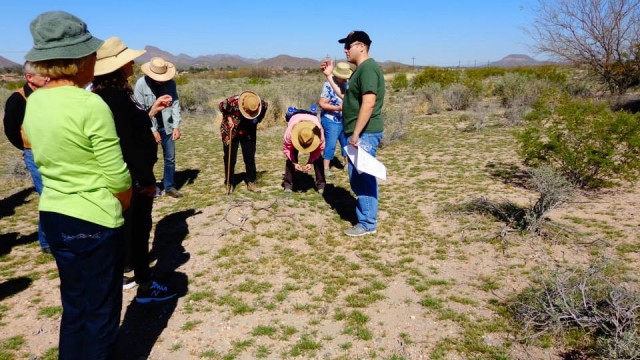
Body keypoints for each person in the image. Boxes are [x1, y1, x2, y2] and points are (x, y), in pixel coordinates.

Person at [22, 11, 132, 359]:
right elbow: (116, 175)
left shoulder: (34, 101)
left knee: (74, 306)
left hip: (54, 215)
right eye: (90, 54)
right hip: (95, 218)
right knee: (101, 311)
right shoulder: (90, 104)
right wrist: (123, 203)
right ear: (77, 60)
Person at [93, 36, 176, 303]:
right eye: (128, 60)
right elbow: (130, 144)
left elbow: (130, 126)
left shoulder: (104, 96)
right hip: (133, 177)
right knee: (139, 231)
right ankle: (145, 286)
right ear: (119, 66)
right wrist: (147, 179)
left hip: (119, 177)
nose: (132, 63)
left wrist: (151, 110)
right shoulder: (116, 99)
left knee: (126, 230)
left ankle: (126, 276)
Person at [322, 31, 385, 237]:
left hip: (364, 134)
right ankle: (366, 217)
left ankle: (367, 223)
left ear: (361, 46)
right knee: (359, 177)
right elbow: (344, 96)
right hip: (359, 133)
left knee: (362, 177)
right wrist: (329, 76)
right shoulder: (360, 71)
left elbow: (369, 103)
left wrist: (356, 134)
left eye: (349, 45)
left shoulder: (368, 69)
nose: (345, 49)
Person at [3, 61, 50, 252]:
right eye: (42, 75)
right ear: (29, 78)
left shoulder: (47, 95)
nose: (47, 78)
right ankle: (47, 242)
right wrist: (25, 148)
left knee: (54, 195)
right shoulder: (18, 99)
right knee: (48, 196)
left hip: (51, 149)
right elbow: (11, 129)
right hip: (34, 152)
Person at [134, 57, 183, 198]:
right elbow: (140, 110)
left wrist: (176, 126)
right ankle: (148, 187)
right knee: (149, 159)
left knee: (170, 158)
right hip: (149, 127)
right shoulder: (140, 85)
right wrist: (153, 130)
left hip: (167, 126)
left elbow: (175, 105)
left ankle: (169, 186)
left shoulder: (171, 84)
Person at [218, 91, 268, 193]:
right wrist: (228, 118)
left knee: (249, 156)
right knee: (230, 157)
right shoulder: (233, 102)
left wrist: (257, 119)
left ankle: (251, 181)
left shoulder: (260, 105)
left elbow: (264, 109)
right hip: (231, 129)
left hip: (248, 130)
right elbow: (221, 106)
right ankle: (229, 182)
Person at [319, 61, 352, 178]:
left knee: (346, 143)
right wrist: (338, 108)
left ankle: (347, 164)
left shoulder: (348, 83)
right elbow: (322, 104)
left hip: (344, 119)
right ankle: (325, 168)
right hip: (330, 119)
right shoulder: (328, 85)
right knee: (331, 144)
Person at [282, 113, 326, 194]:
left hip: (313, 122)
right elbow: (287, 149)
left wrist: (310, 162)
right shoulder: (290, 133)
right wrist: (294, 162)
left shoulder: (320, 135)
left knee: (319, 158)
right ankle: (288, 184)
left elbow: (319, 149)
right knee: (291, 157)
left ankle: (321, 184)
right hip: (295, 120)